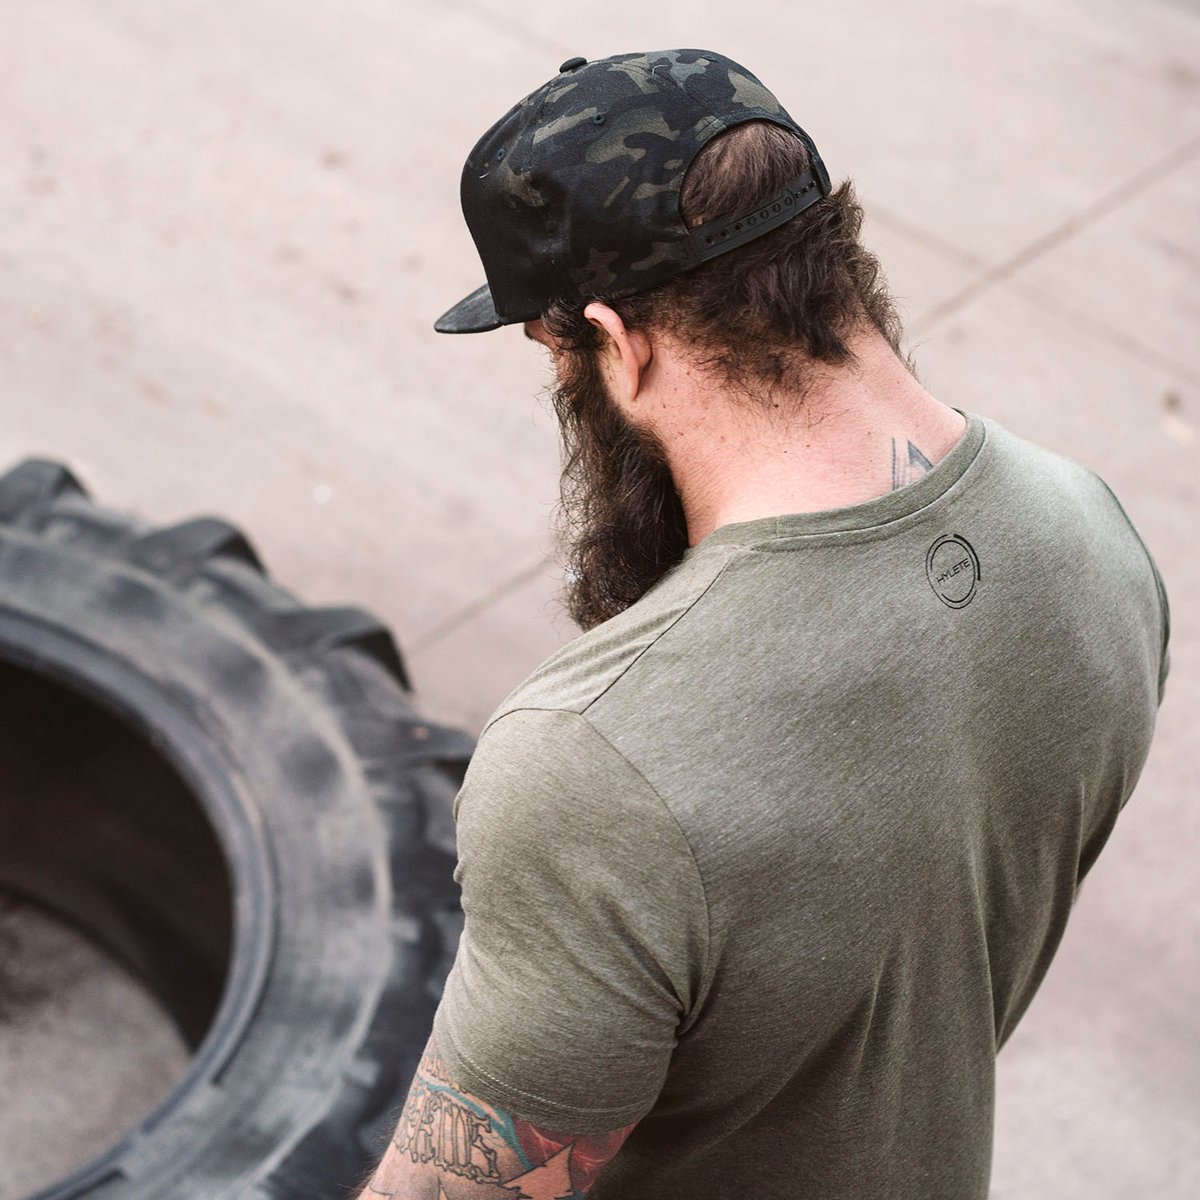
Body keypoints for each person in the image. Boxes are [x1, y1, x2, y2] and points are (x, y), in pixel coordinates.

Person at [359, 49, 1169, 1200]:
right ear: (828, 244)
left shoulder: (594, 763)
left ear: (616, 341)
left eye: (555, 353)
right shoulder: (1091, 537)